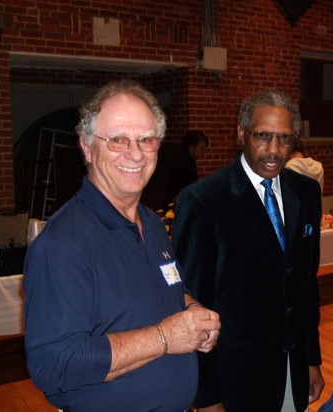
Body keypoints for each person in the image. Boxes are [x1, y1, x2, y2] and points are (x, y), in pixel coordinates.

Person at [22, 80, 221, 412]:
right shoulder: (63, 243)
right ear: (87, 147)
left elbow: (169, 288)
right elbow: (52, 364)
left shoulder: (152, 223)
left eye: (146, 139)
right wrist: (164, 338)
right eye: (118, 140)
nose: (135, 153)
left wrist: (193, 310)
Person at [171, 88, 325, 411]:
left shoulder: (307, 193)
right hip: (235, 380)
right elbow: (192, 307)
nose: (274, 150)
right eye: (262, 136)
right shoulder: (203, 201)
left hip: (292, 370)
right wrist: (207, 398)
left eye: (284, 138)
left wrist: (311, 358)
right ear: (241, 133)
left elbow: (306, 287)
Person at [164, 130, 209, 208]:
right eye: (201, 149)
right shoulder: (186, 164)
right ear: (191, 148)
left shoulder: (184, 160)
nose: (203, 152)